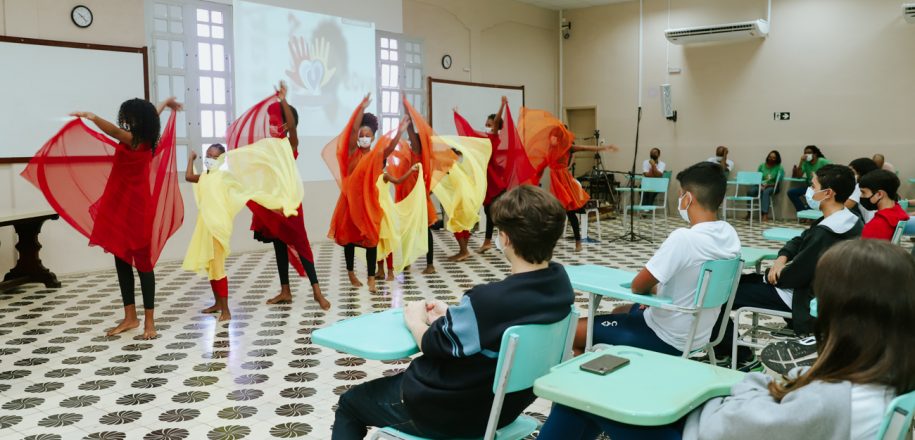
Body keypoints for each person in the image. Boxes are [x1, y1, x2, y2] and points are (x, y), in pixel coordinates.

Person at [539, 239, 915, 440]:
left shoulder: (832, 399)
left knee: (583, 396)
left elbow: (726, 427)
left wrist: (746, 387)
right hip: (743, 419)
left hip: (711, 431)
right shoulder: (884, 377)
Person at [332, 185, 575, 439]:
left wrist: (415, 320)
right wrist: (456, 316)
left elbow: (433, 344)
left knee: (350, 404)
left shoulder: (487, 301)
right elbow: (498, 324)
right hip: (503, 410)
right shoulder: (560, 286)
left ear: (505, 238)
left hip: (446, 409)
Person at [23, 97, 184, 339]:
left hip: (136, 209)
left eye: (130, 117)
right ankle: (130, 317)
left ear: (140, 120)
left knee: (144, 265)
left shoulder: (138, 141)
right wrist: (164, 104)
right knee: (121, 259)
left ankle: (149, 322)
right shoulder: (143, 137)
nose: (126, 121)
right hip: (118, 205)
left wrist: (92, 117)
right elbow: (152, 116)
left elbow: (112, 130)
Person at [571, 162, 740, 356]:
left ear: (688, 199)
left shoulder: (684, 238)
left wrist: (650, 289)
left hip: (665, 337)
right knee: (620, 310)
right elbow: (693, 283)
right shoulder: (729, 235)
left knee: (576, 330)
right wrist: (658, 290)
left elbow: (637, 286)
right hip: (699, 335)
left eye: (680, 195)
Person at [715, 164, 862, 370]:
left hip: (799, 296)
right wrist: (782, 258)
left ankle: (740, 356)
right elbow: (799, 239)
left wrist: (768, 275)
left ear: (828, 193)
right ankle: (731, 352)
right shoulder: (847, 219)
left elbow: (795, 276)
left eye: (813, 186)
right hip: (812, 289)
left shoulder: (827, 232)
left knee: (719, 296)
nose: (808, 191)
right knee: (740, 284)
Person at [225, 83, 330, 309]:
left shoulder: (289, 144)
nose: (271, 125)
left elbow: (292, 127)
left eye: (276, 121)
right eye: (271, 121)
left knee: (301, 244)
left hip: (289, 203)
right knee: (279, 245)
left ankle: (317, 291)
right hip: (270, 203)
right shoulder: (266, 146)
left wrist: (283, 99)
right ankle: (285, 291)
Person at [182, 135, 305, 322]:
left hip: (218, 227)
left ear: (221, 160)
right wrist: (191, 159)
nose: (209, 159)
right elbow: (188, 176)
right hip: (205, 226)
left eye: (214, 157)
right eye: (207, 155)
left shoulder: (224, 177)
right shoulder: (205, 176)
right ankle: (217, 304)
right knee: (211, 267)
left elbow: (248, 191)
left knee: (218, 267)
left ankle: (226, 311)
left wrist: (275, 205)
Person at [325, 94, 410, 293]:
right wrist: (361, 108)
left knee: (372, 238)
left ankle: (372, 278)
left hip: (369, 202)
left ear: (373, 138)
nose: (363, 137)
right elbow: (353, 130)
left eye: (367, 135)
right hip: (349, 202)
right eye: (361, 135)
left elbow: (388, 148)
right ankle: (351, 273)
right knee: (348, 238)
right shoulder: (351, 153)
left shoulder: (375, 156)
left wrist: (400, 131)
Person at [520, 109, 618, 252]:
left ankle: (578, 240)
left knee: (570, 211)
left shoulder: (569, 148)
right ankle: (546, 240)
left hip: (564, 180)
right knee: (554, 211)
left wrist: (605, 147)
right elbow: (541, 163)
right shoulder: (550, 148)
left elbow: (587, 148)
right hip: (555, 180)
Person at [454, 97, 536, 254]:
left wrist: (502, 105)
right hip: (487, 180)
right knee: (488, 211)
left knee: (497, 212)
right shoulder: (485, 140)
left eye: (489, 124)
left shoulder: (494, 138)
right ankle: (488, 242)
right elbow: (469, 136)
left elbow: (497, 121)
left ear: (496, 126)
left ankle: (515, 238)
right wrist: (459, 116)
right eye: (486, 124)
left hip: (496, 180)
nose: (486, 126)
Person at [859, 170, 909, 240]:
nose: (861, 196)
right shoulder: (898, 211)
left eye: (863, 192)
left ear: (879, 194)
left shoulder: (875, 226)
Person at [787, 145, 829, 213]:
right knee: (791, 192)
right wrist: (801, 162)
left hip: (820, 188)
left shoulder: (822, 161)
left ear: (815, 154)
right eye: (805, 153)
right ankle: (803, 212)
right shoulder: (805, 162)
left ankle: (809, 215)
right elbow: (798, 176)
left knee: (813, 198)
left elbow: (832, 171)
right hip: (809, 188)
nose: (807, 155)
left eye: (809, 153)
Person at [748, 150, 783, 221]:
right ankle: (749, 213)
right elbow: (758, 177)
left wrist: (768, 186)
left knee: (766, 192)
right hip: (760, 185)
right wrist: (761, 185)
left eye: (773, 158)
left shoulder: (779, 168)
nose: (771, 159)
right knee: (750, 191)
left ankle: (765, 214)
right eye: (770, 157)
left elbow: (778, 182)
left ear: (777, 159)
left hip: (773, 187)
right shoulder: (762, 166)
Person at [847, 157, 880, 222]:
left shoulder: (860, 186)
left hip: (870, 224)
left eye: (852, 172)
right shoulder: (876, 183)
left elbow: (846, 206)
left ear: (861, 172)